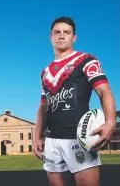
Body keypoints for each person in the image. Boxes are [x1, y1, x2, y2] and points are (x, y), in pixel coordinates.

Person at [33, 17, 116, 186]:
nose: (61, 36)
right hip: (51, 140)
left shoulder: (86, 60)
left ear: (74, 37)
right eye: (57, 32)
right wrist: (36, 137)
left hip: (79, 138)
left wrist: (110, 122)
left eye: (66, 32)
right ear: (51, 37)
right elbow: (43, 106)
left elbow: (104, 91)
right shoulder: (45, 72)